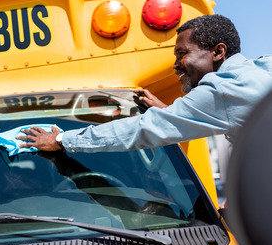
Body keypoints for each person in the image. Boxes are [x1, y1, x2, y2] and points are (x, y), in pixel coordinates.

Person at [17, 14, 272, 153]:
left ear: (218, 52)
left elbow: (142, 129)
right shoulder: (262, 69)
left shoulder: (223, 89)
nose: (176, 64)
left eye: (182, 54)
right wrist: (169, 114)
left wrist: (63, 140)